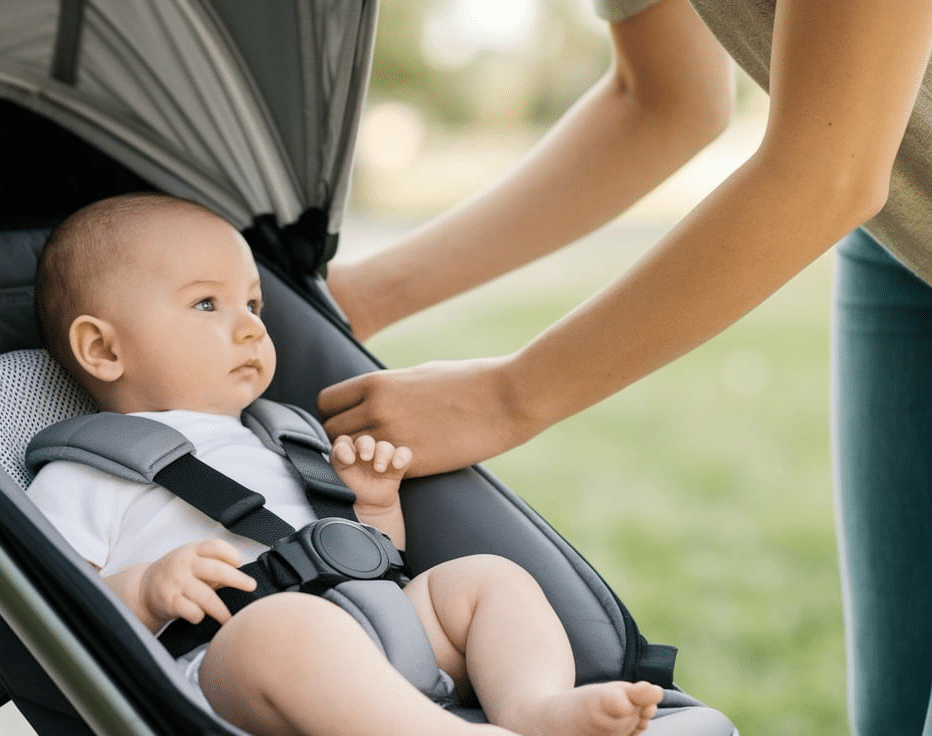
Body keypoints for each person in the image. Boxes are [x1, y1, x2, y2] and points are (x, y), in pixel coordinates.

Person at [318, 2, 932, 735]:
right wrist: (356, 300)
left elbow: (827, 170)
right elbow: (663, 99)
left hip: (867, 184)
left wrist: (504, 397)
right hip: (900, 227)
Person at [27, 192, 664, 736]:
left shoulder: (283, 437)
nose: (250, 328)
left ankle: (533, 708)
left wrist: (374, 506)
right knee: (284, 629)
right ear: (103, 348)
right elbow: (50, 602)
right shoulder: (87, 471)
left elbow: (374, 561)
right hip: (228, 665)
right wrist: (141, 591)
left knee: (485, 579)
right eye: (205, 305)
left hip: (377, 632)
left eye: (253, 305)